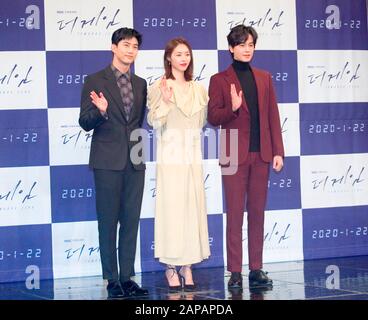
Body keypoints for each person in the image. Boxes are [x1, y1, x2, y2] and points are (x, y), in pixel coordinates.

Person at [207, 25, 284, 289]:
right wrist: (233, 107)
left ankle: (256, 269)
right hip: (232, 156)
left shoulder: (264, 77)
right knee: (235, 215)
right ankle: (235, 272)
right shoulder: (219, 80)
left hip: (262, 154)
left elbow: (273, 116)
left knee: (257, 213)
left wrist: (278, 151)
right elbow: (213, 117)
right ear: (231, 48)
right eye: (241, 44)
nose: (247, 49)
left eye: (250, 44)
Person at [79, 27, 148, 298]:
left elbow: (138, 122)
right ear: (113, 47)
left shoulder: (141, 83)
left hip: (136, 159)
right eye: (126, 45)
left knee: (131, 221)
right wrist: (101, 112)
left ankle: (127, 276)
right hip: (107, 160)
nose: (131, 50)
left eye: (135, 46)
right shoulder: (95, 80)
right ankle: (111, 280)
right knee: (108, 222)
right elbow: (84, 123)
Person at [147, 37, 210, 291]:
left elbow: (202, 123)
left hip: (192, 155)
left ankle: (188, 266)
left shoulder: (199, 89)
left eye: (187, 54)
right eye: (179, 54)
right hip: (170, 156)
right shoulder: (159, 86)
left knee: (192, 210)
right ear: (169, 58)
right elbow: (153, 122)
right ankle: (171, 268)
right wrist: (165, 100)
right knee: (172, 212)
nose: (184, 58)